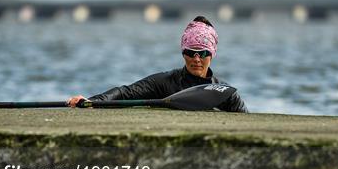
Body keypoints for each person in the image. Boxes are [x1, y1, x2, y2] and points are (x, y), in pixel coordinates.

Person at [68, 16, 248, 113]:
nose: (196, 59)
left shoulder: (225, 92)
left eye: (202, 53)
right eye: (190, 53)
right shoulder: (165, 82)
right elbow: (125, 92)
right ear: (183, 52)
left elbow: (246, 121)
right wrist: (92, 102)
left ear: (212, 53)